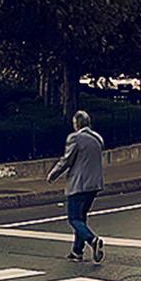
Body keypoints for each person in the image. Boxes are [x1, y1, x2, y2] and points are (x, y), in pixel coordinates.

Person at [47, 110, 106, 264]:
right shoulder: (97, 138)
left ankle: (92, 240)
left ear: (77, 123)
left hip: (78, 184)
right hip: (94, 184)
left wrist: (53, 174)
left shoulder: (75, 138)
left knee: (73, 218)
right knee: (81, 218)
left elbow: (66, 160)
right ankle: (76, 251)